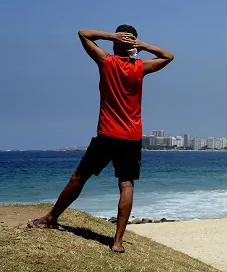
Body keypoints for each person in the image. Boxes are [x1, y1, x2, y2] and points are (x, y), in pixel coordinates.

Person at [28, 24, 174, 253]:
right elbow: (168, 56)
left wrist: (111, 36)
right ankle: (117, 242)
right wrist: (142, 45)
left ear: (116, 43)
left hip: (107, 134)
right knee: (126, 184)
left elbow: (82, 33)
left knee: (79, 177)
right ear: (132, 47)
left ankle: (50, 219)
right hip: (131, 137)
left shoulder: (106, 61)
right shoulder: (141, 67)